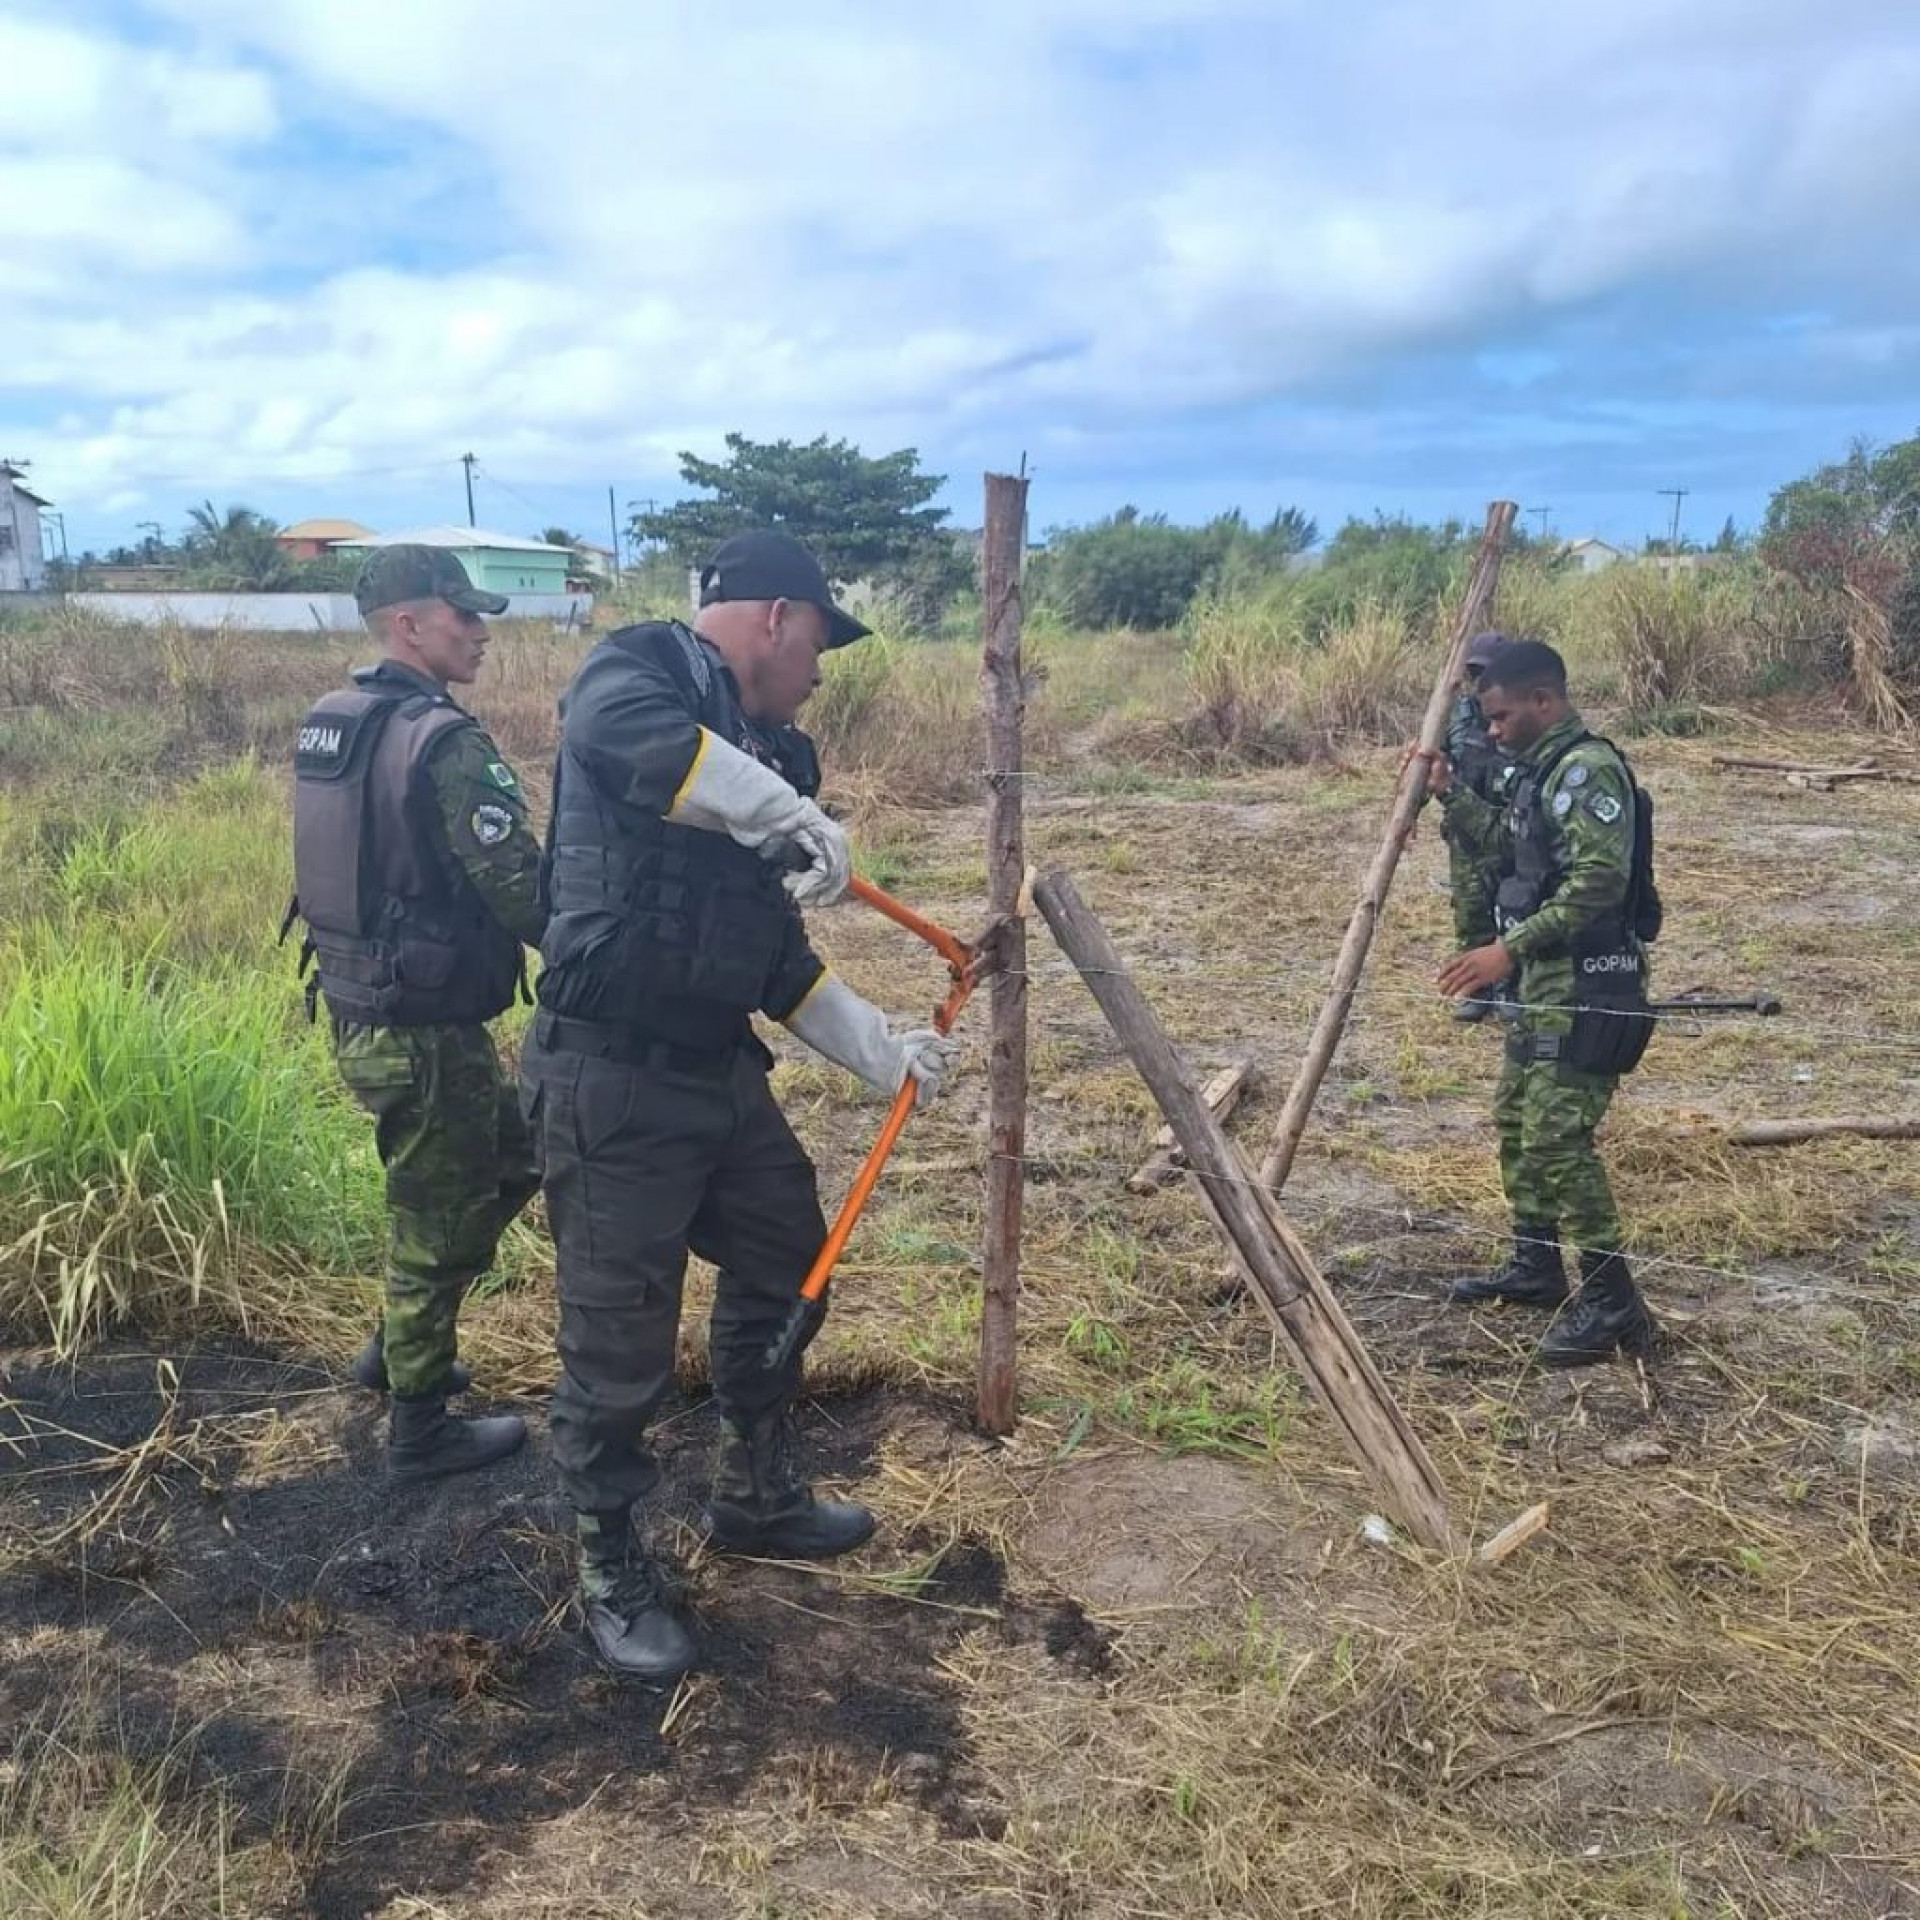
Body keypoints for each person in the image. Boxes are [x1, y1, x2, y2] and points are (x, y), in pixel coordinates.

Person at [520, 529, 960, 1682]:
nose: (823, 666)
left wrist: (884, 1053)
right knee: (619, 1342)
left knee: (788, 1258)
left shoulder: (775, 760)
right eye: (820, 637)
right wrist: (777, 809)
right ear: (774, 616)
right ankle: (610, 1564)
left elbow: (776, 959)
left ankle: (753, 1491)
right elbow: (628, 743)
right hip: (608, 1074)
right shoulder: (638, 670)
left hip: (715, 1069)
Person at [290, 545, 545, 1478]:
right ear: (409, 624)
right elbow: (519, 889)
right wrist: (611, 958)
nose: (480, 632)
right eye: (462, 616)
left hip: (363, 1007)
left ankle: (396, 1347)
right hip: (424, 1028)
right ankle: (421, 1427)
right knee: (440, 1212)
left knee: (513, 1160)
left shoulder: (337, 721)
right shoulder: (442, 739)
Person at [1431, 638, 1658, 1367]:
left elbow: (1595, 881)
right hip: (1544, 985)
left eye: (1499, 717)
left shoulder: (1587, 770)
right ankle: (1536, 1265)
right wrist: (1447, 791)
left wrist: (1509, 950)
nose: (1490, 730)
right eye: (1485, 720)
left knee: (1560, 1137)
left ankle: (1614, 1305)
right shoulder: (1539, 774)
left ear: (1543, 701)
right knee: (1517, 1119)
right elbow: (1505, 844)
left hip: (1588, 980)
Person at [1441, 631, 1519, 1022]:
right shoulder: (1455, 715)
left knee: (1513, 905)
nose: (1479, 680)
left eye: (1486, 672)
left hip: (1510, 828)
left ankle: (1509, 987)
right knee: (1470, 910)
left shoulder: (1518, 712)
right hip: (1465, 831)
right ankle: (1477, 989)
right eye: (1474, 672)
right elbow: (1434, 764)